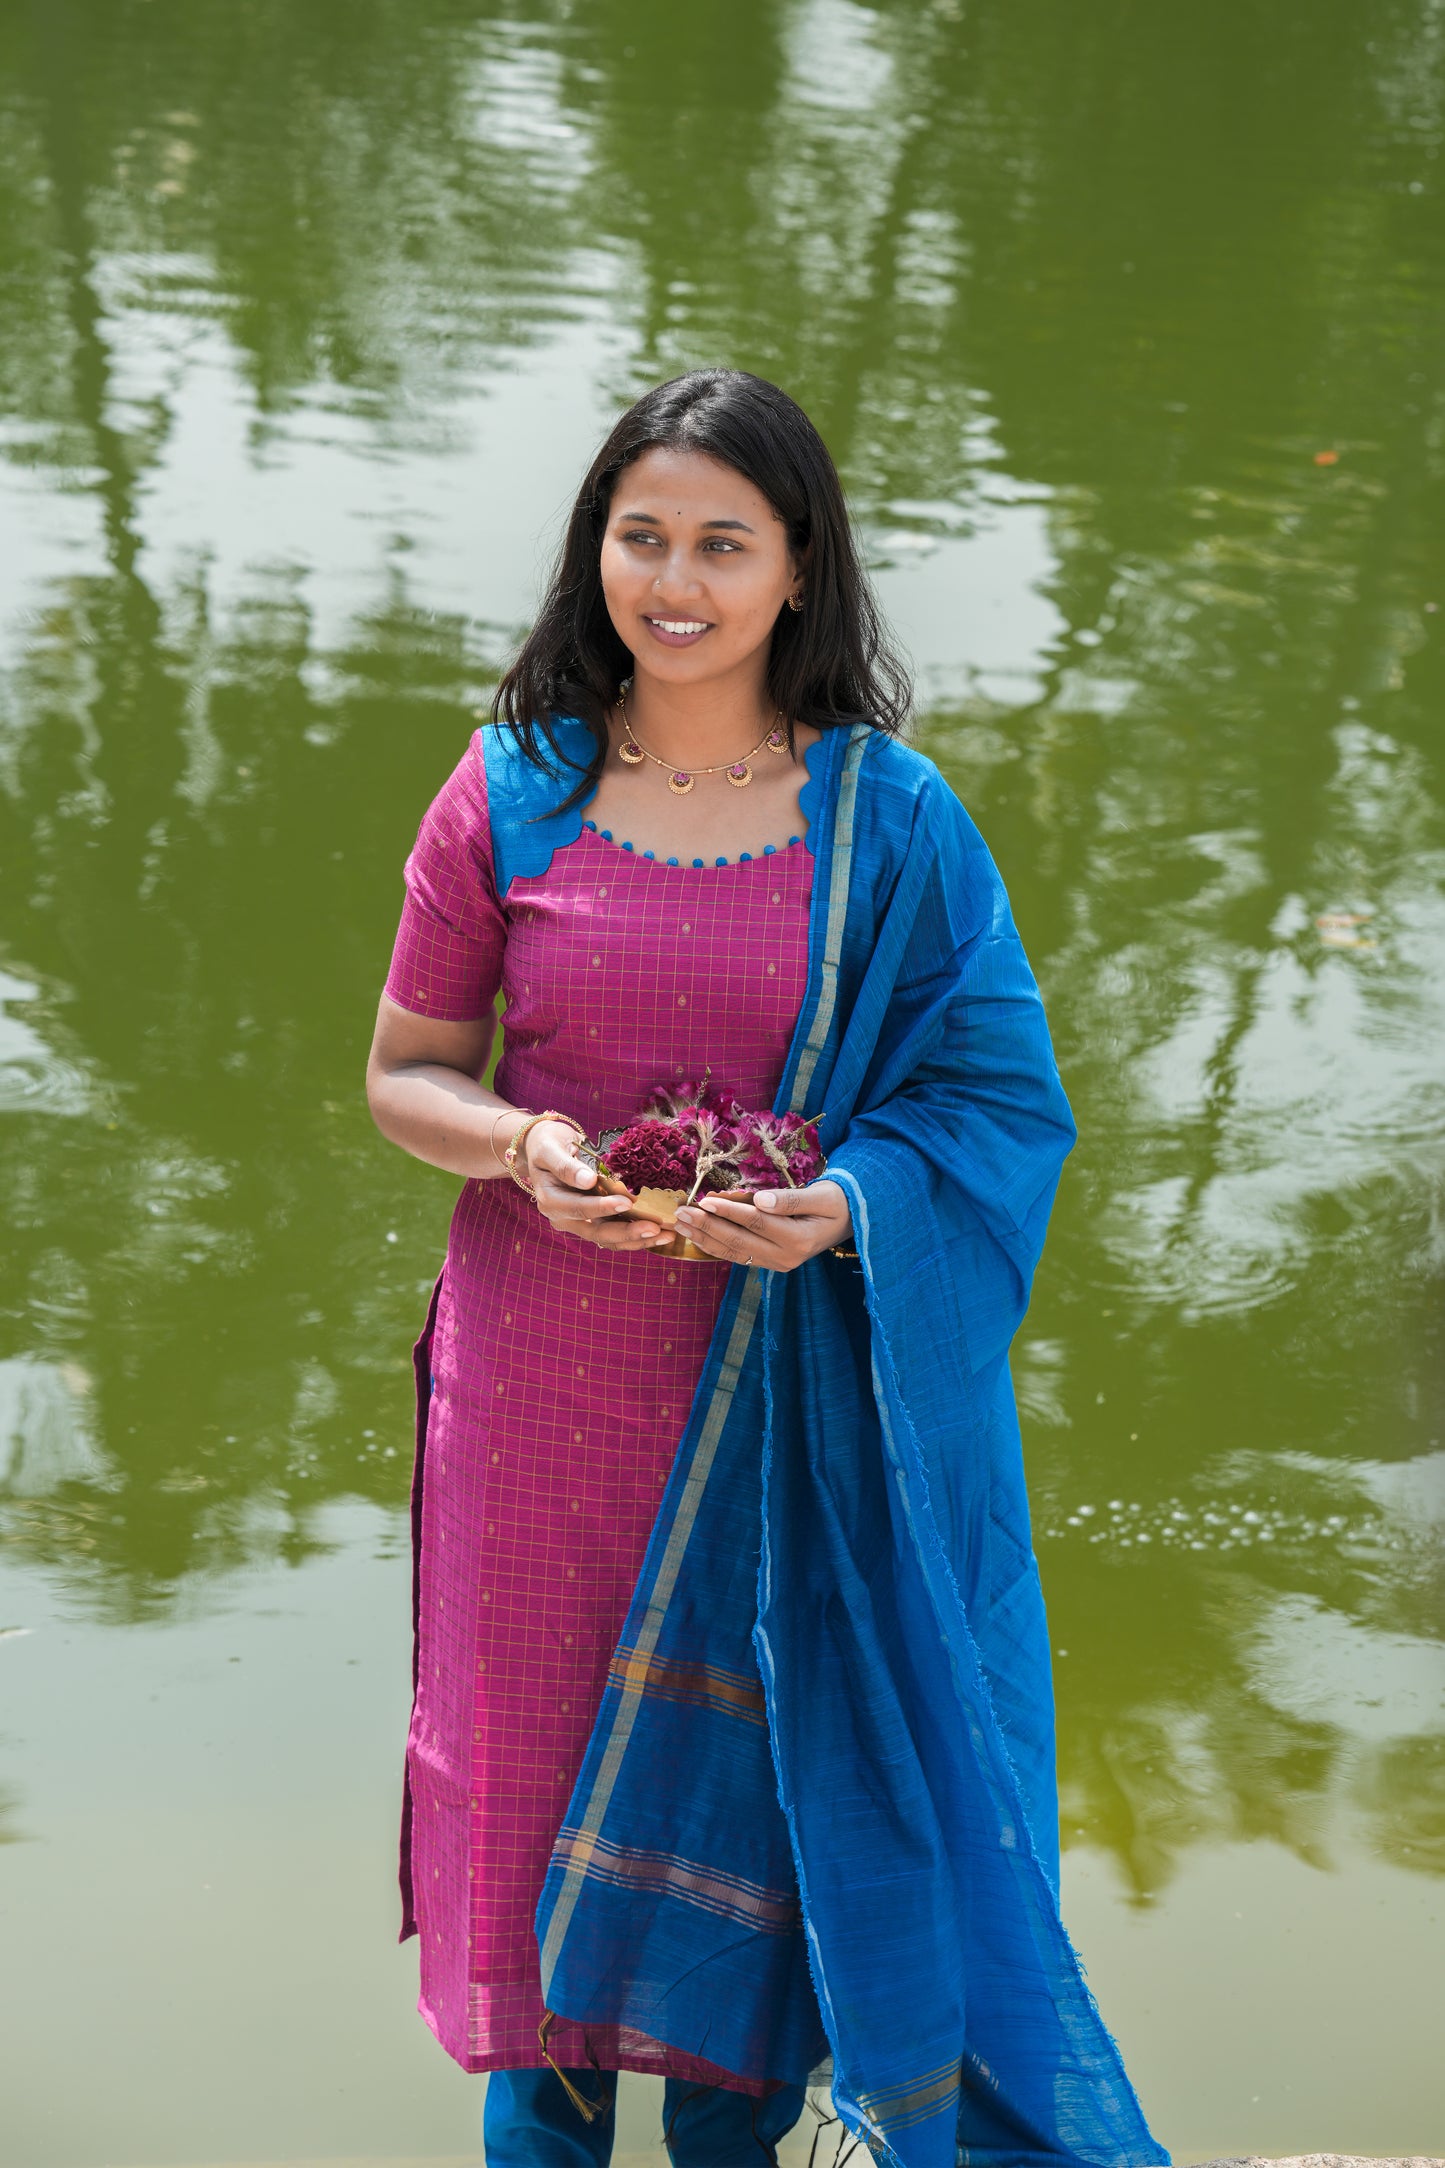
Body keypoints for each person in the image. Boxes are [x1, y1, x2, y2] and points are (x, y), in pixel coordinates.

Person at [367, 370, 1165, 2168]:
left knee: (764, 1813)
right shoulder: (511, 789)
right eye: (639, 535)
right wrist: (523, 1148)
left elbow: (992, 1099)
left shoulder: (892, 823)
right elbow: (407, 1069)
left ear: (797, 571)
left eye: (722, 543)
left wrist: (851, 1202)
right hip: (539, 1391)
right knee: (536, 1793)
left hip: (788, 1397)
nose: (674, 579)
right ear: (595, 554)